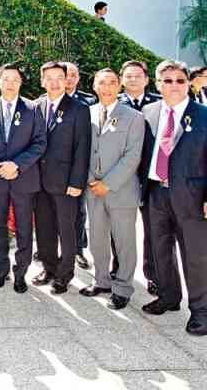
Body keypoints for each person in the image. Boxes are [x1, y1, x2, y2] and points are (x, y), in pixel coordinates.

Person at [139, 60, 207, 336]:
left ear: (188, 83)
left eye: (180, 80)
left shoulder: (202, 114)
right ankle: (168, 297)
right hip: (156, 193)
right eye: (167, 81)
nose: (174, 86)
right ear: (158, 84)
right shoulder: (149, 111)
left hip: (192, 196)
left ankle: (201, 310)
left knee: (196, 254)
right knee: (160, 250)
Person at [0, 63, 46, 292]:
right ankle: (1, 269)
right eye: (6, 79)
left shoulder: (33, 109)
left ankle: (20, 272)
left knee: (24, 228)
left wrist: (16, 165)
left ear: (20, 82)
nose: (10, 83)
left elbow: (39, 142)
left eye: (15, 79)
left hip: (23, 178)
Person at [78, 68, 145, 310]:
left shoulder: (134, 117)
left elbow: (132, 156)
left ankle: (123, 288)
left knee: (124, 241)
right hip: (93, 189)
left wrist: (108, 183)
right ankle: (102, 281)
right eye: (102, 83)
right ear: (94, 86)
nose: (107, 87)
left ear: (119, 86)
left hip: (120, 191)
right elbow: (81, 151)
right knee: (97, 240)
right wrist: (89, 180)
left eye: (112, 83)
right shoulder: (87, 113)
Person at [32, 61, 91, 295]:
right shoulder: (36, 106)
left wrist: (77, 182)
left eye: (59, 77)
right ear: (42, 81)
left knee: (67, 230)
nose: (55, 82)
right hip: (39, 181)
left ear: (66, 80)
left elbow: (82, 148)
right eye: (50, 78)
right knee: (44, 228)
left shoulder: (78, 109)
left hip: (66, 182)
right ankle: (49, 267)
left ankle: (64, 275)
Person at [116, 59, 162, 294]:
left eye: (137, 75)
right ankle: (118, 269)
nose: (132, 79)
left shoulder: (159, 104)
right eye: (128, 76)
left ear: (146, 79)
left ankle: (153, 274)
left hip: (150, 178)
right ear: (122, 79)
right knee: (119, 227)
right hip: (122, 177)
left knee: (153, 229)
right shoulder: (113, 103)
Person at [61, 61, 96, 270]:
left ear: (78, 78)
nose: (69, 79)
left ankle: (78, 250)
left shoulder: (89, 101)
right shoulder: (44, 101)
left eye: (73, 75)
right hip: (54, 167)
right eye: (66, 75)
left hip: (79, 164)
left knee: (78, 210)